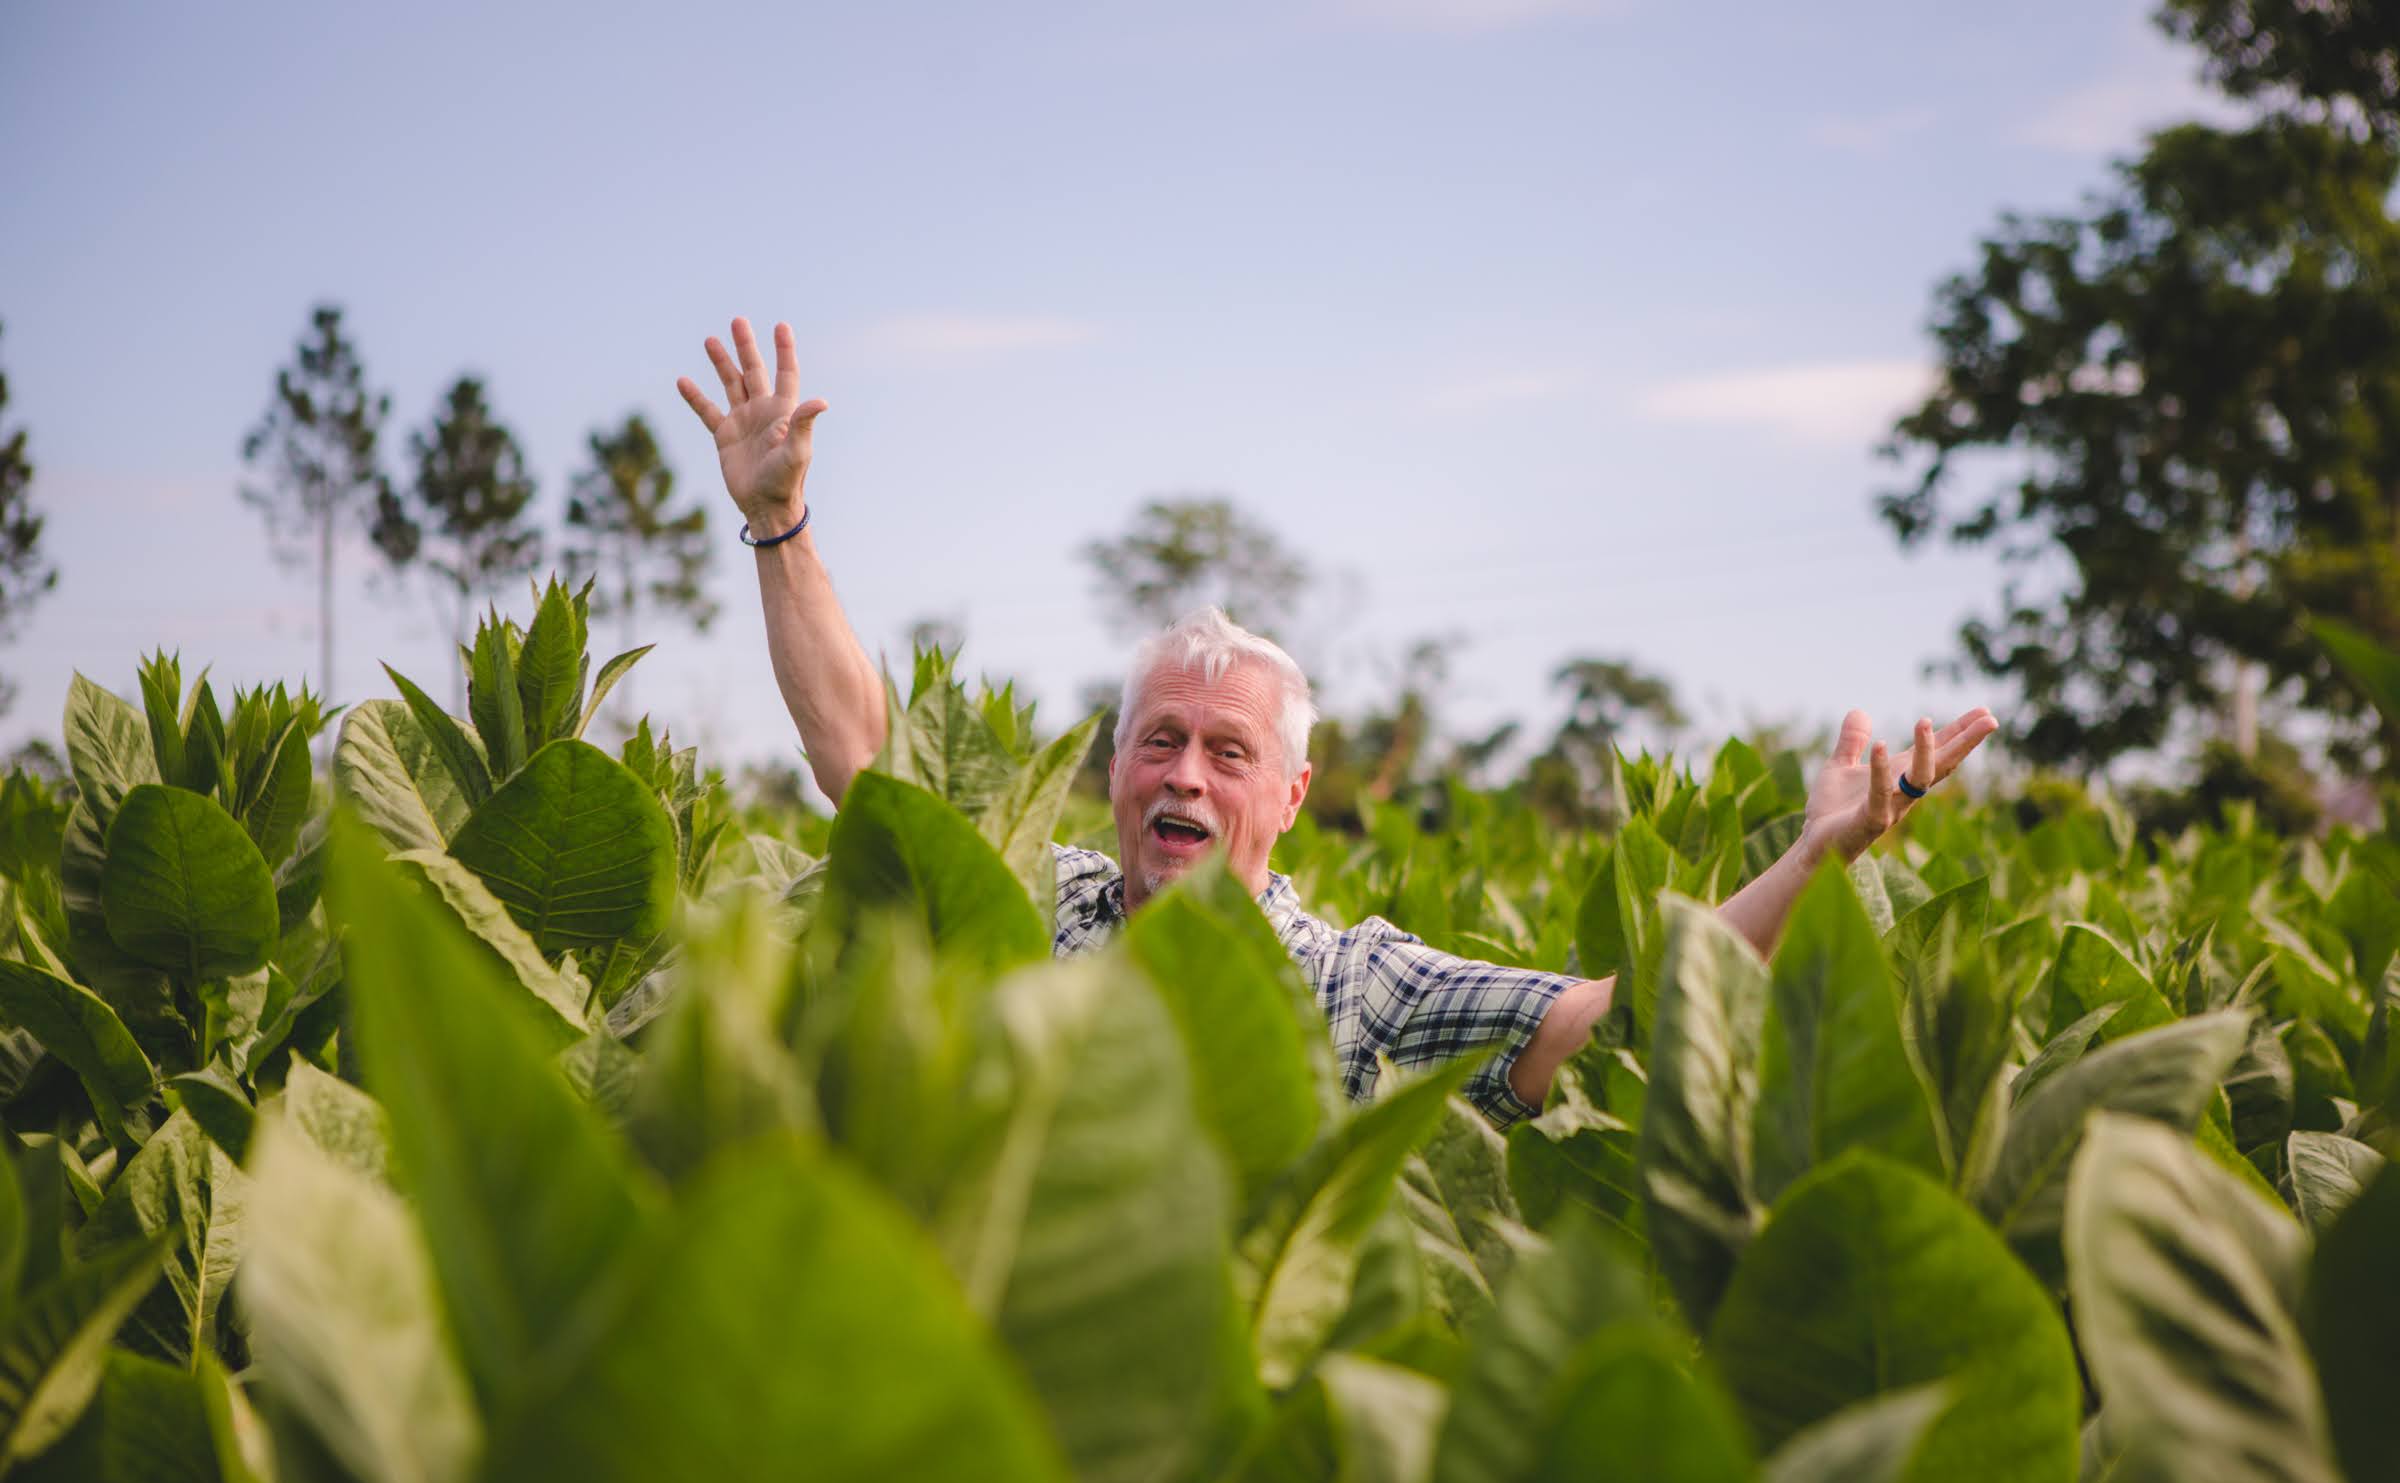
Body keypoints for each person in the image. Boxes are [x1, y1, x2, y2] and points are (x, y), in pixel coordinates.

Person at [676, 317, 2000, 1127]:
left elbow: (1613, 1020)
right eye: (1160, 740)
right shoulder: (1031, 905)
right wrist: (779, 522)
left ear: (1291, 799)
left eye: (1228, 752)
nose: (1184, 773)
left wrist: (1824, 852)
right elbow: (861, 763)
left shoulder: (1352, 984)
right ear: (1117, 768)